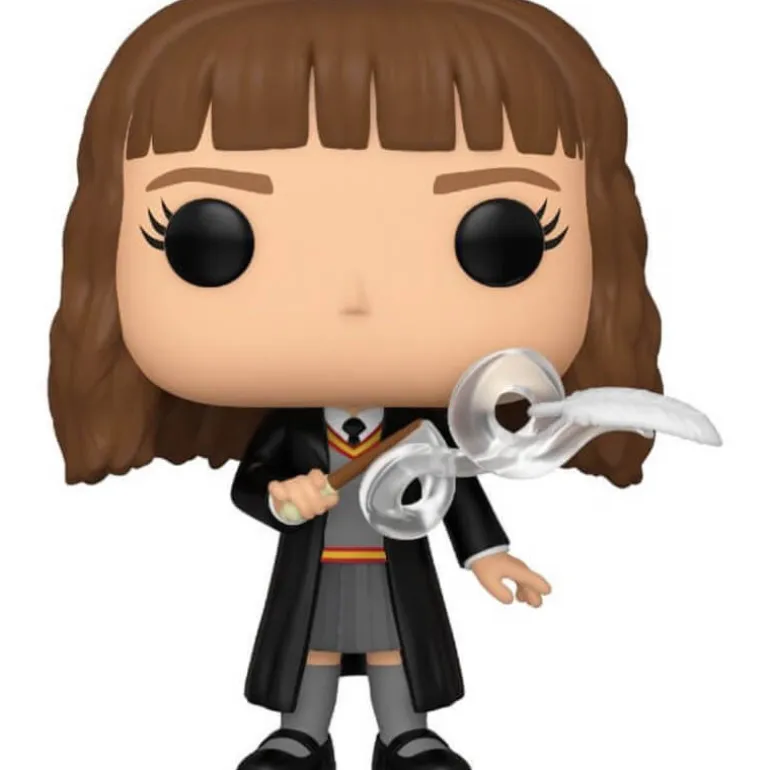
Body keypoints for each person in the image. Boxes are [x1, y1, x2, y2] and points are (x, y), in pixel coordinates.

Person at [49, 1, 662, 768]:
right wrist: (281, 499)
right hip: (314, 564)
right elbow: (252, 486)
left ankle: (405, 735)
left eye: (499, 238)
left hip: (394, 568)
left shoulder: (426, 429)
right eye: (209, 238)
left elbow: (459, 495)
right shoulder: (293, 432)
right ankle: (301, 734)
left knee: (394, 649)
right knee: (309, 649)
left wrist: (488, 555)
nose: (354, 299)